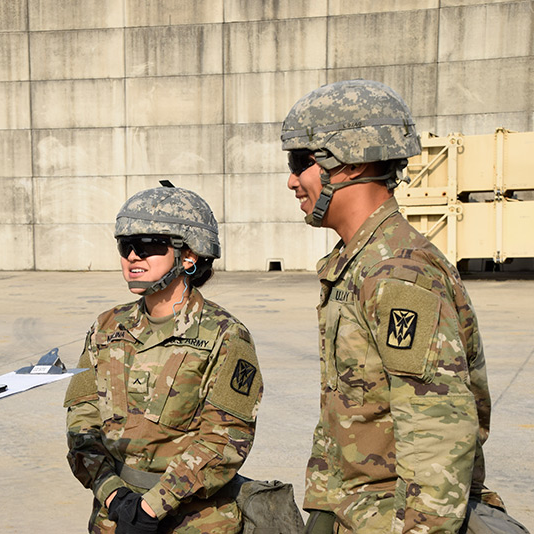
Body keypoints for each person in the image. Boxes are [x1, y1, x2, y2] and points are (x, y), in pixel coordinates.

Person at [280, 79, 517, 534]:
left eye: (301, 161)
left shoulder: (396, 274)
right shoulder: (358, 262)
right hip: (355, 513)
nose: (292, 180)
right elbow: (351, 412)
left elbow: (437, 436)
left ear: (351, 162)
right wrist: (324, 510)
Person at [64, 185, 264, 533]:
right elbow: (82, 418)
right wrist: (113, 495)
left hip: (193, 520)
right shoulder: (106, 327)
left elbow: (225, 438)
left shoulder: (226, 335)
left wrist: (151, 507)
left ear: (189, 256)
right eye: (125, 246)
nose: (132, 256)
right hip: (114, 514)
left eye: (149, 246)